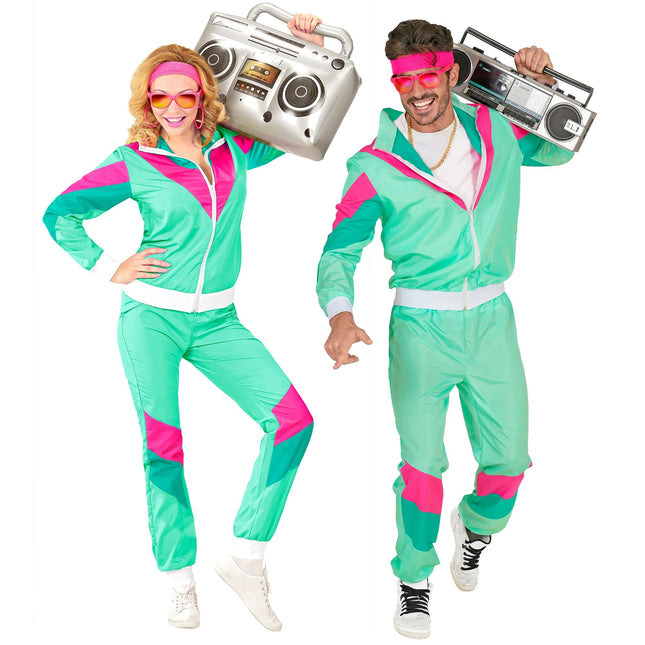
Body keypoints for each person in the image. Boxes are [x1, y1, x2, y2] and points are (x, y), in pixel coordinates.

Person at [42, 13, 323, 632]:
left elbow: (303, 118)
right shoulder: (133, 160)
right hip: (151, 321)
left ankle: (246, 558)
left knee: (293, 423)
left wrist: (305, 47)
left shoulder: (236, 148)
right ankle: (179, 583)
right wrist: (108, 266)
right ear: (147, 100)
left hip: (220, 321)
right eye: (160, 96)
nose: (171, 107)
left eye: (184, 95)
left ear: (204, 96)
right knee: (163, 448)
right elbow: (59, 214)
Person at [316, 19, 573, 639]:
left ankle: (475, 527)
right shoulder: (374, 164)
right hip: (419, 328)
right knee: (423, 464)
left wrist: (539, 86)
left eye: (429, 75)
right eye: (404, 79)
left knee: (508, 461)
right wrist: (341, 314)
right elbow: (339, 251)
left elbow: (561, 149)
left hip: (492, 322)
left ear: (452, 73)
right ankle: (413, 579)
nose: (417, 90)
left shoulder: (497, 130)